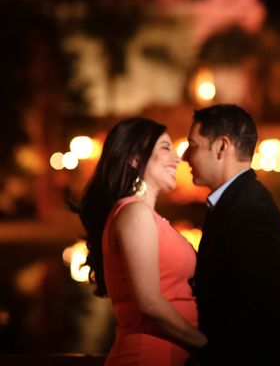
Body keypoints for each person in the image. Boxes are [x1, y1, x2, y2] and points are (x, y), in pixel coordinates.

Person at [77, 117, 207, 365]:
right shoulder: (134, 214)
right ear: (135, 159)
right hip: (148, 355)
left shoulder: (145, 216)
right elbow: (149, 303)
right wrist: (207, 345)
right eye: (165, 148)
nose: (177, 159)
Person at [184, 104, 280, 365]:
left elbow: (255, 310)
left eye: (193, 145)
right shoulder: (235, 202)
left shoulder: (250, 209)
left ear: (222, 147)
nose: (185, 157)